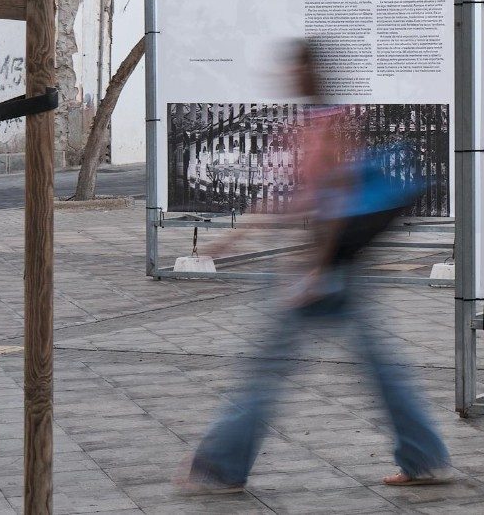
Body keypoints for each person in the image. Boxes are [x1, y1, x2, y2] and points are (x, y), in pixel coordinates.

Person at [176, 42, 450, 495]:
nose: (289, 76)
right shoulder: (320, 123)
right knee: (378, 368)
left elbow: (334, 201)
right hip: (328, 268)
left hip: (323, 270)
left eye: (296, 68)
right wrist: (236, 237)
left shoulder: (329, 126)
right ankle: (423, 456)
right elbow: (295, 197)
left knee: (266, 369)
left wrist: (316, 270)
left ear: (311, 73)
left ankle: (222, 465)